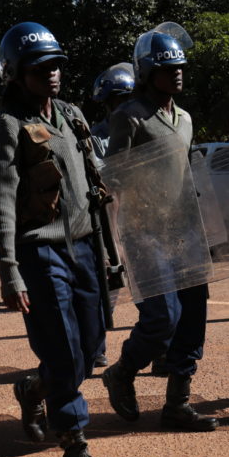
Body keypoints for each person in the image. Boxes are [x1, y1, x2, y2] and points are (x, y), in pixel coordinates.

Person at [0, 22, 108, 457]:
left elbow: (93, 181)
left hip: (84, 247)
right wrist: (8, 272)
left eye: (57, 65)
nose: (53, 74)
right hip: (39, 252)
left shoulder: (72, 114)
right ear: (16, 75)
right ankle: (75, 446)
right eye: (42, 68)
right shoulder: (7, 126)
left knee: (89, 350)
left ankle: (33, 389)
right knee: (60, 347)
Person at [100, 25, 219, 433]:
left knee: (193, 316)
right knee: (162, 318)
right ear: (149, 73)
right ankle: (122, 371)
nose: (180, 73)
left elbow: (184, 176)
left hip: (184, 232)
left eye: (182, 66)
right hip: (143, 231)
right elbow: (112, 176)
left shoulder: (184, 119)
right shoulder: (129, 117)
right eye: (171, 68)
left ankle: (177, 404)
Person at [88, 61, 136, 368]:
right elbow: (102, 178)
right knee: (110, 288)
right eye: (118, 101)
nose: (123, 107)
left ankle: (159, 350)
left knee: (154, 290)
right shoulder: (96, 138)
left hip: (142, 219)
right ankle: (95, 347)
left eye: (127, 100)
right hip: (113, 223)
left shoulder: (144, 127)